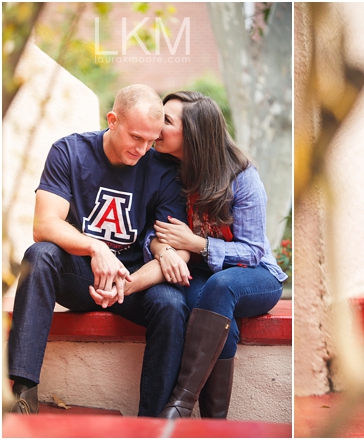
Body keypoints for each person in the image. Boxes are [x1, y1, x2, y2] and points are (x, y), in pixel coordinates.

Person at [7, 85, 190, 417]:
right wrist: (96, 248)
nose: (143, 149)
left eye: (151, 140)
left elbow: (172, 246)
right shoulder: (70, 152)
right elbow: (44, 225)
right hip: (81, 276)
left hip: (131, 284)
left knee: (172, 303)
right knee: (39, 255)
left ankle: (152, 423)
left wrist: (127, 282)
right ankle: (22, 396)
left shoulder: (162, 170)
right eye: (136, 137)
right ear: (113, 120)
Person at [149, 91, 286, 419]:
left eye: (166, 121)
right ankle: (214, 427)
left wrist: (196, 244)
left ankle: (181, 403)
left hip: (255, 276)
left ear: (193, 133)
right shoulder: (169, 172)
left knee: (222, 287)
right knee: (215, 315)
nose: (156, 128)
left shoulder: (243, 179)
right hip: (204, 277)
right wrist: (163, 248)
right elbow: (154, 232)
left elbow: (252, 252)